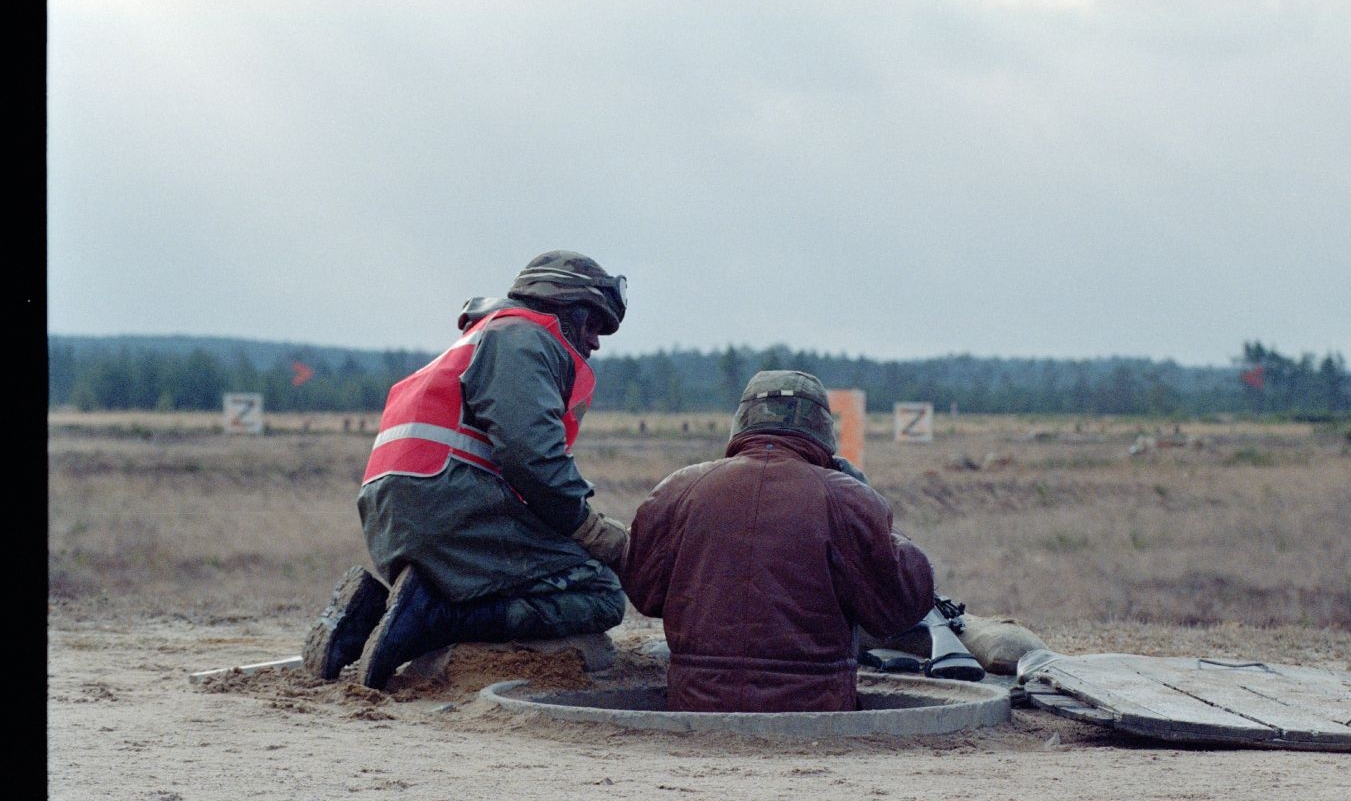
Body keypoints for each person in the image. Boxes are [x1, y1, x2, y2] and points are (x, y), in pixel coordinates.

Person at [302, 250, 632, 690]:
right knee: (601, 593)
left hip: (399, 515)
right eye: (591, 324)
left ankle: (367, 617)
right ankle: (435, 619)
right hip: (448, 505)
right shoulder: (524, 339)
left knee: (524, 576)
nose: (594, 342)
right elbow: (531, 457)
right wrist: (591, 531)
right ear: (564, 306)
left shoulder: (485, 337)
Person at [618, 370, 939, 713]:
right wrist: (877, 518)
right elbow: (900, 606)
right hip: (815, 712)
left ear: (742, 421)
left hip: (696, 708)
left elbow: (644, 592)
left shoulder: (678, 490)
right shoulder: (846, 498)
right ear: (821, 428)